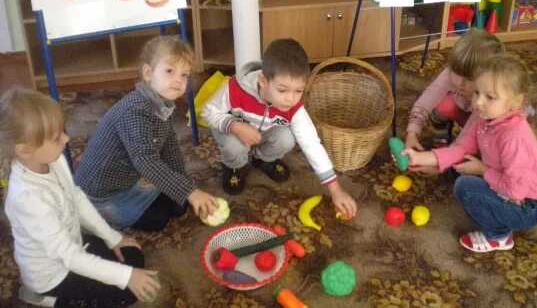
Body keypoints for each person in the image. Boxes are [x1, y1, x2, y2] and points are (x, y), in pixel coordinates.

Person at [0, 88, 160, 307]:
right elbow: (68, 256)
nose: (66, 139)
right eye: (56, 138)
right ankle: (44, 297)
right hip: (52, 275)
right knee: (127, 292)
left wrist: (112, 237)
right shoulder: (28, 199)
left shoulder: (53, 159)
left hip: (72, 244)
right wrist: (126, 277)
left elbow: (76, 197)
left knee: (132, 256)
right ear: (25, 151)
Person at [403, 56, 537, 252]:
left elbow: (515, 191)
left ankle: (499, 236)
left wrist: (483, 170)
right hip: (510, 185)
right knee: (462, 167)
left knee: (465, 185)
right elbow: (461, 149)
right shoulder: (484, 116)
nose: (478, 102)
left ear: (515, 102)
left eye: (490, 97)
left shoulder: (514, 137)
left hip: (530, 206)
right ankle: (496, 208)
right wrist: (419, 157)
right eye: (476, 92)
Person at [201, 39, 357, 219]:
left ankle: (263, 159)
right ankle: (234, 167)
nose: (290, 99)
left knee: (287, 138)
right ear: (263, 80)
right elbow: (209, 112)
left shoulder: (294, 107)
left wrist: (336, 190)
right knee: (234, 147)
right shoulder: (234, 88)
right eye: (282, 90)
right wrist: (236, 126)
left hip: (263, 133)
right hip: (233, 131)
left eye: (298, 91)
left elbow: (311, 143)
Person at [75, 35, 217, 232]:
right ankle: (95, 212)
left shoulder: (162, 104)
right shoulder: (134, 111)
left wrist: (185, 186)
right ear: (148, 73)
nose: (178, 80)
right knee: (158, 219)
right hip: (102, 192)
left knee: (180, 204)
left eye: (184, 75)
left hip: (126, 180)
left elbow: (170, 149)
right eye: (170, 71)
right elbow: (145, 161)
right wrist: (190, 192)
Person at [405, 29, 505, 151]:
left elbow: (467, 139)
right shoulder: (449, 74)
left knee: (476, 158)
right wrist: (412, 132)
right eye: (455, 72)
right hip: (466, 113)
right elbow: (426, 101)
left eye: (469, 78)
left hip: (486, 126)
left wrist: (444, 160)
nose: (460, 82)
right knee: (441, 104)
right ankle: (442, 141)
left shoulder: (493, 99)